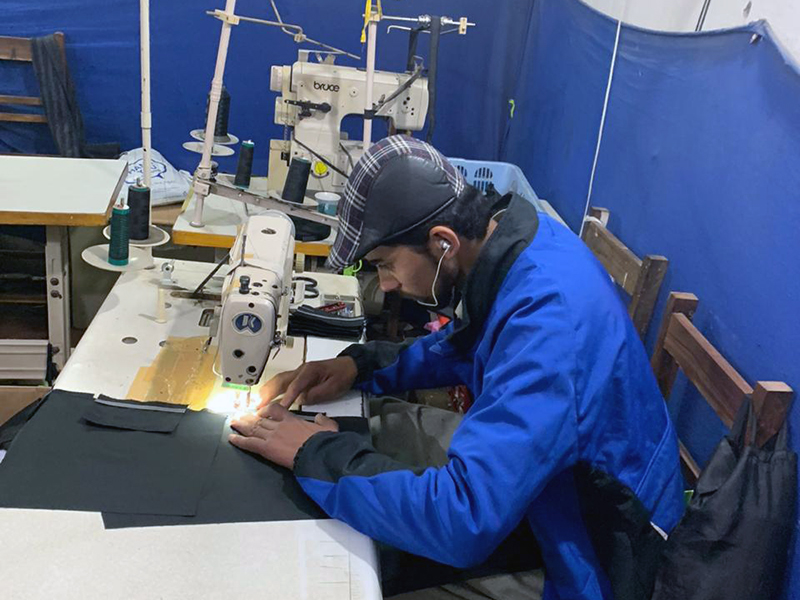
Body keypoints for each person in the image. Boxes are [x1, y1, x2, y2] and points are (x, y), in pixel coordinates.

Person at [228, 135, 685, 600]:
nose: (386, 285)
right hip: (551, 483)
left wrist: (317, 452)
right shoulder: (517, 248)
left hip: (592, 552)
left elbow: (462, 522)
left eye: (385, 265)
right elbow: (468, 345)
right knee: (377, 424)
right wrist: (359, 365)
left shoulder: (549, 325)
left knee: (356, 572)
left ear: (442, 242)